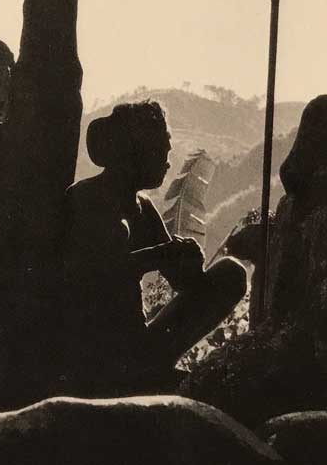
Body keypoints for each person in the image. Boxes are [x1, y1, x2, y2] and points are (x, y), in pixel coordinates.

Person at [61, 100, 247, 394]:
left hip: (135, 346)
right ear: (136, 152)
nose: (167, 162)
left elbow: (182, 281)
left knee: (230, 274)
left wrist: (189, 259)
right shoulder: (87, 198)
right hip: (91, 354)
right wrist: (161, 254)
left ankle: (147, 370)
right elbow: (92, 273)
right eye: (161, 152)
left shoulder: (143, 208)